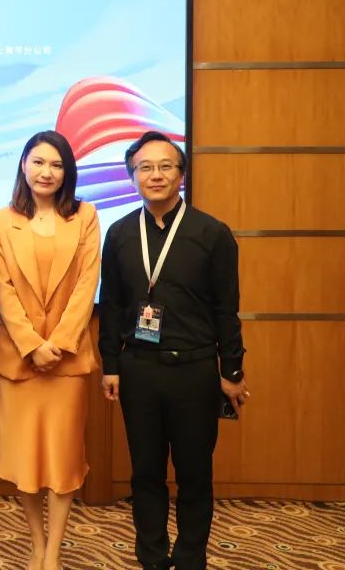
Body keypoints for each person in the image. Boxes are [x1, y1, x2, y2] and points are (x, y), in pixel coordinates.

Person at [98, 130, 249, 570]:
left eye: (166, 166)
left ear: (181, 174)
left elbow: (227, 309)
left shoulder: (212, 233)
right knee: (145, 473)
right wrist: (110, 364)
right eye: (145, 167)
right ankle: (152, 558)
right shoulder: (120, 233)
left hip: (195, 371)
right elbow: (112, 305)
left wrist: (232, 371)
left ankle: (189, 559)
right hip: (138, 369)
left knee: (194, 473)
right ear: (132, 176)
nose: (156, 175)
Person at [0, 131, 100, 570]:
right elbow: (4, 290)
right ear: (23, 165)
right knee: (26, 461)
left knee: (63, 461)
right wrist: (32, 345)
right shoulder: (1, 220)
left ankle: (53, 553)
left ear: (67, 171)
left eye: (56, 164)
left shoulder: (85, 216)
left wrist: (59, 343)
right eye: (38, 162)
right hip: (20, 362)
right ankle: (37, 544)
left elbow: (87, 285)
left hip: (66, 363)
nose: (46, 172)